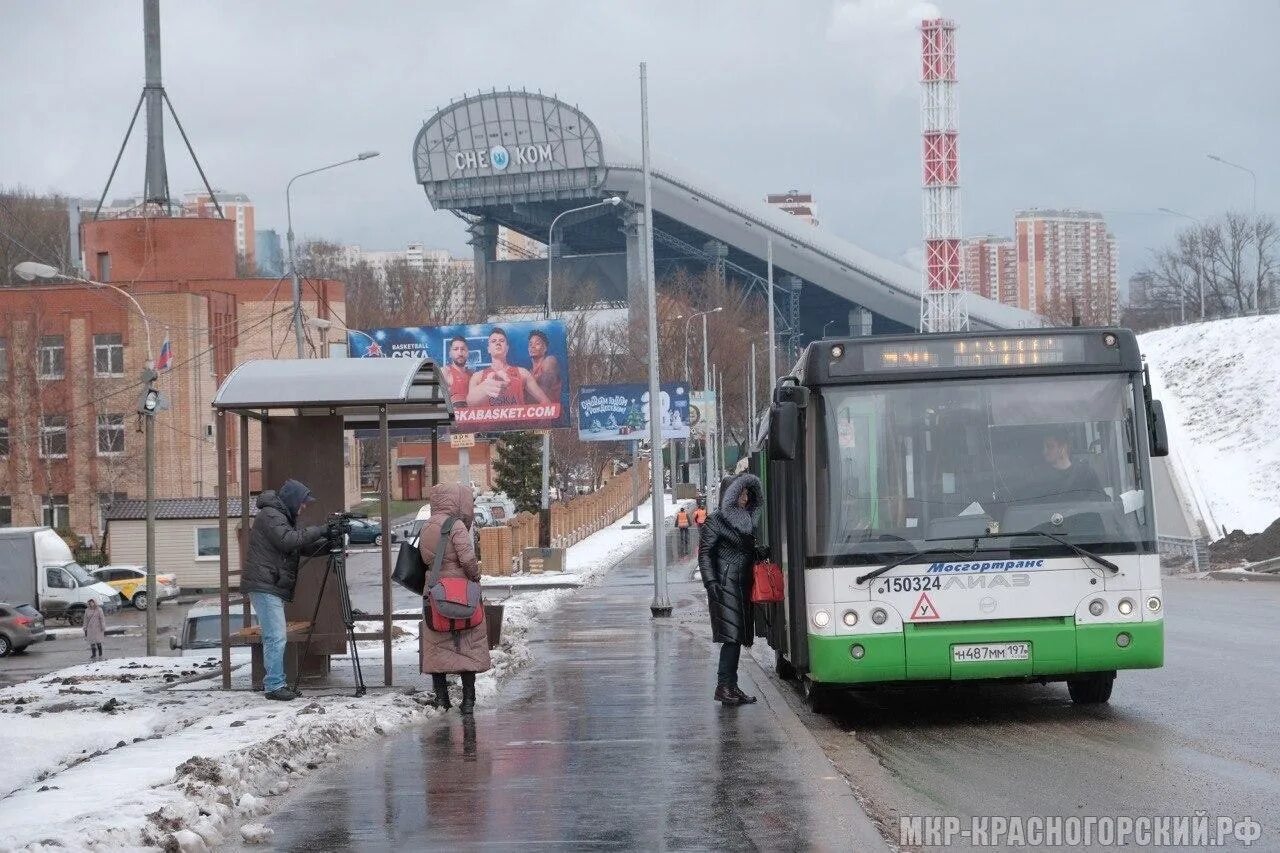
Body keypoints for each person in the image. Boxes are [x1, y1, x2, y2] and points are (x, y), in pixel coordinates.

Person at [242, 479, 330, 701]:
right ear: (293, 500)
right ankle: (274, 686)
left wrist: (329, 543)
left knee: (275, 635)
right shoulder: (270, 515)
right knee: (276, 636)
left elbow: (299, 546)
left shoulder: (279, 517)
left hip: (270, 584)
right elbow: (289, 541)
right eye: (302, 504)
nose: (302, 508)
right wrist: (321, 529)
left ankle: (276, 683)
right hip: (265, 584)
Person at [419, 481, 492, 715]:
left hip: (434, 591)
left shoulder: (427, 525)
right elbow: (467, 559)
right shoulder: (456, 525)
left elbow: (424, 558)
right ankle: (468, 700)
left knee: (436, 645)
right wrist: (475, 576)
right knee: (467, 644)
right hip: (460, 592)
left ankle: (442, 700)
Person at [698, 472, 765, 706]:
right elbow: (705, 553)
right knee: (732, 637)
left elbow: (741, 552)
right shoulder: (715, 520)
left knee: (737, 637)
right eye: (742, 493)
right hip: (724, 585)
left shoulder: (744, 521)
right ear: (730, 495)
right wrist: (711, 582)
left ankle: (730, 686)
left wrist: (760, 553)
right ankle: (724, 687)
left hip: (741, 584)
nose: (746, 498)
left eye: (748, 493)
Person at [467, 328, 551, 407]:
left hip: (518, 422)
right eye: (494, 341)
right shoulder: (477, 376)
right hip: (490, 422)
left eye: (501, 341)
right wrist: (485, 388)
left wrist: (540, 421)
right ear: (488, 349)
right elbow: (469, 403)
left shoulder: (523, 373)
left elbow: (546, 402)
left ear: (507, 348)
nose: (498, 343)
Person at [1039, 432, 1105, 501]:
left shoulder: (1085, 473)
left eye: (1050, 447)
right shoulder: (1040, 476)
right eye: (1043, 447)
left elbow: (1101, 500)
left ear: (1063, 448)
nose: (1044, 451)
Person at [527, 329, 562, 404]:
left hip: (552, 413)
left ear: (545, 348)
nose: (533, 346)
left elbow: (544, 390)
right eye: (530, 344)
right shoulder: (528, 373)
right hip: (533, 413)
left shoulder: (550, 361)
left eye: (537, 343)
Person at [443, 336, 473, 407]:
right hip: (454, 417)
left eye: (463, 349)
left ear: (467, 353)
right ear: (450, 354)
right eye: (456, 349)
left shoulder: (473, 375)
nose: (460, 353)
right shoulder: (445, 372)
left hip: (471, 416)